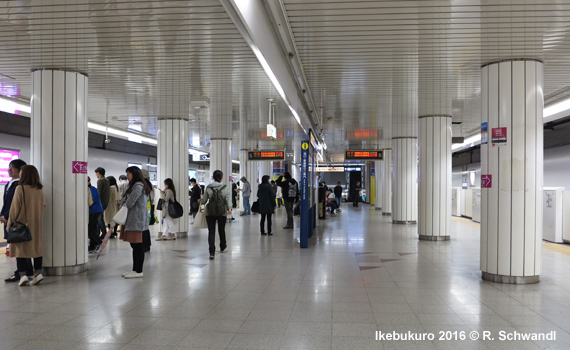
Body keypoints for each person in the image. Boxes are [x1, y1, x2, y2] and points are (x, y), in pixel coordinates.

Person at [7, 165, 45, 286]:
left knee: (20, 250)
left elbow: (14, 209)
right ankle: (38, 273)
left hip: (21, 224)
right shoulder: (39, 189)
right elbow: (43, 206)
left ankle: (23, 275)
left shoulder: (20, 188)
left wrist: (9, 225)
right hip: (36, 224)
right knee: (36, 248)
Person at [119, 166, 151, 278]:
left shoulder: (138, 186)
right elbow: (123, 200)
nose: (127, 175)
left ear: (135, 174)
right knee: (135, 245)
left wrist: (124, 200)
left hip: (136, 220)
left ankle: (138, 271)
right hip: (134, 219)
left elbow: (129, 203)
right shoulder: (134, 186)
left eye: (129, 173)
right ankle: (134, 269)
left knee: (137, 245)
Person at [2, 159, 26, 283]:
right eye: (9, 167)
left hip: (15, 221)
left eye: (12, 167)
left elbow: (14, 204)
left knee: (19, 246)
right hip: (7, 219)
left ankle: (21, 272)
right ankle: (25, 270)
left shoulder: (20, 185)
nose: (9, 170)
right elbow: (6, 203)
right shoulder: (9, 184)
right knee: (15, 245)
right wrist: (2, 215)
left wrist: (7, 217)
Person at [202, 170, 231, 260]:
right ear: (221, 177)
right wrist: (229, 208)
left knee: (211, 231)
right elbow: (228, 199)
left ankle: (211, 252)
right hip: (222, 212)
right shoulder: (225, 187)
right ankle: (222, 245)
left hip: (210, 212)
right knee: (221, 230)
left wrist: (201, 202)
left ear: (213, 177)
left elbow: (204, 200)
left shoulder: (208, 187)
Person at [88, 177, 104, 253]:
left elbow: (94, 199)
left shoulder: (92, 189)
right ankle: (92, 246)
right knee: (93, 227)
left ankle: (98, 242)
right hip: (91, 211)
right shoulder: (87, 189)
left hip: (95, 210)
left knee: (90, 227)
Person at [95, 167, 110, 240]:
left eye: (96, 173)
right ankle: (97, 233)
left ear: (98, 172)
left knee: (99, 218)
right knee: (99, 218)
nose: (95, 175)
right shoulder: (107, 180)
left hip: (101, 202)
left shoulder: (100, 180)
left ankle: (104, 233)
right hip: (106, 202)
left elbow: (98, 192)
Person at [141, 170, 154, 251]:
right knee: (146, 226)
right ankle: (147, 245)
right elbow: (152, 197)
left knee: (142, 227)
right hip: (149, 206)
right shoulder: (149, 184)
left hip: (142, 207)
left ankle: (144, 245)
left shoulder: (141, 184)